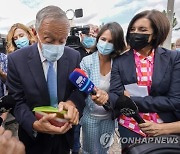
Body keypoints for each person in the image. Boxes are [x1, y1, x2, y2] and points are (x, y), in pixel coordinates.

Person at [6, 5, 87, 154]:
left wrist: (71, 104)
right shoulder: (16, 60)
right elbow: (16, 101)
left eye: (62, 41)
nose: (56, 46)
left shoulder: (73, 56)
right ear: (35, 33)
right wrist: (35, 124)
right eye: (49, 40)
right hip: (34, 140)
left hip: (65, 135)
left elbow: (80, 90)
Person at [108, 9, 180, 150]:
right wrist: (123, 101)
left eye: (142, 29)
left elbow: (175, 101)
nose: (135, 33)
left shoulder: (173, 58)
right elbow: (116, 95)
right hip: (130, 124)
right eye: (133, 29)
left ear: (155, 34)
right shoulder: (120, 61)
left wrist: (132, 100)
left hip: (163, 124)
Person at [80, 22, 126, 154]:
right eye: (103, 39)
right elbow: (82, 88)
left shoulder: (119, 63)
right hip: (91, 116)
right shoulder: (87, 61)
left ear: (117, 44)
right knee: (89, 151)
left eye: (111, 41)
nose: (105, 44)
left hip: (109, 118)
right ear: (98, 38)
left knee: (104, 149)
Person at [72, 24, 99, 154]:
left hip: (94, 100)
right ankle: (76, 149)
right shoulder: (74, 52)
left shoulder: (99, 54)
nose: (90, 38)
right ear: (81, 35)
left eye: (93, 36)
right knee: (75, 129)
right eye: (88, 35)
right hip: (78, 98)